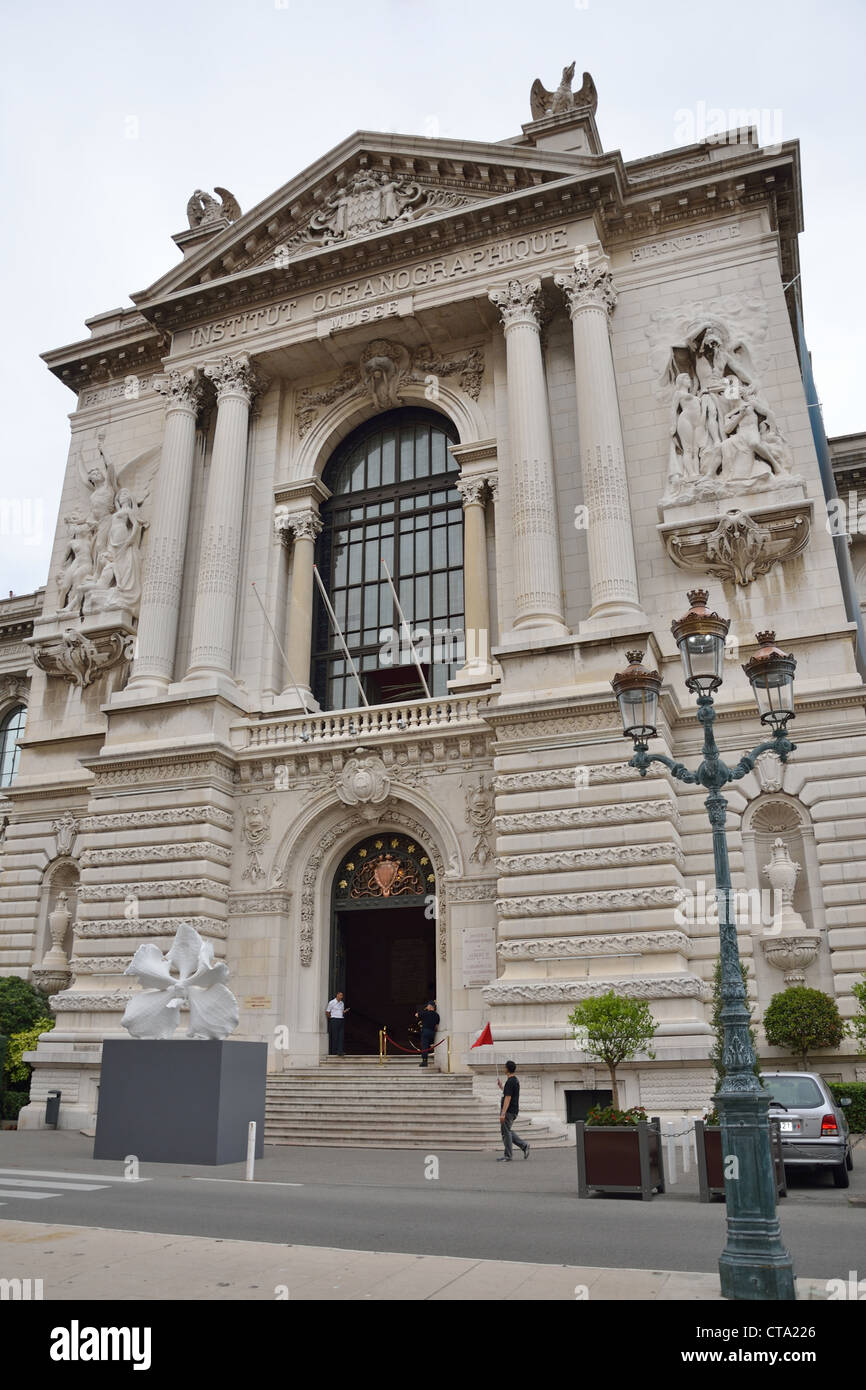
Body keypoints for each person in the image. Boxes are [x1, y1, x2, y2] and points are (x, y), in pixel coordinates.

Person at [497, 1060, 530, 1161]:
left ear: (507, 1069)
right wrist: (501, 1087)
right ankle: (524, 1146)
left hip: (509, 1111)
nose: (503, 1069)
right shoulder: (514, 1080)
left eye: (504, 1067)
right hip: (513, 1110)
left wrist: (503, 1113)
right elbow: (509, 1093)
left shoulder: (510, 1081)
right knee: (507, 1131)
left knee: (506, 1133)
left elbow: (508, 1098)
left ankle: (508, 1155)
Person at [417, 1000, 439, 1068]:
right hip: (432, 1032)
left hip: (425, 1031)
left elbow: (417, 1015)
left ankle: (424, 1061)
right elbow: (436, 1026)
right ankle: (432, 1053)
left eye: (427, 1006)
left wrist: (424, 1009)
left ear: (430, 1006)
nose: (427, 1007)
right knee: (430, 1044)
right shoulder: (437, 1015)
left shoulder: (425, 1013)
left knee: (424, 1046)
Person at [326, 991, 349, 1056]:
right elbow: (327, 1012)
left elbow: (341, 1012)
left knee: (341, 1036)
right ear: (337, 995)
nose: (341, 997)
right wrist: (331, 1018)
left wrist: (345, 1011)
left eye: (342, 995)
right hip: (334, 1020)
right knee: (335, 1036)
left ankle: (340, 1051)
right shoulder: (332, 1002)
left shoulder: (342, 1003)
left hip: (341, 1019)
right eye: (340, 995)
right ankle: (333, 1052)